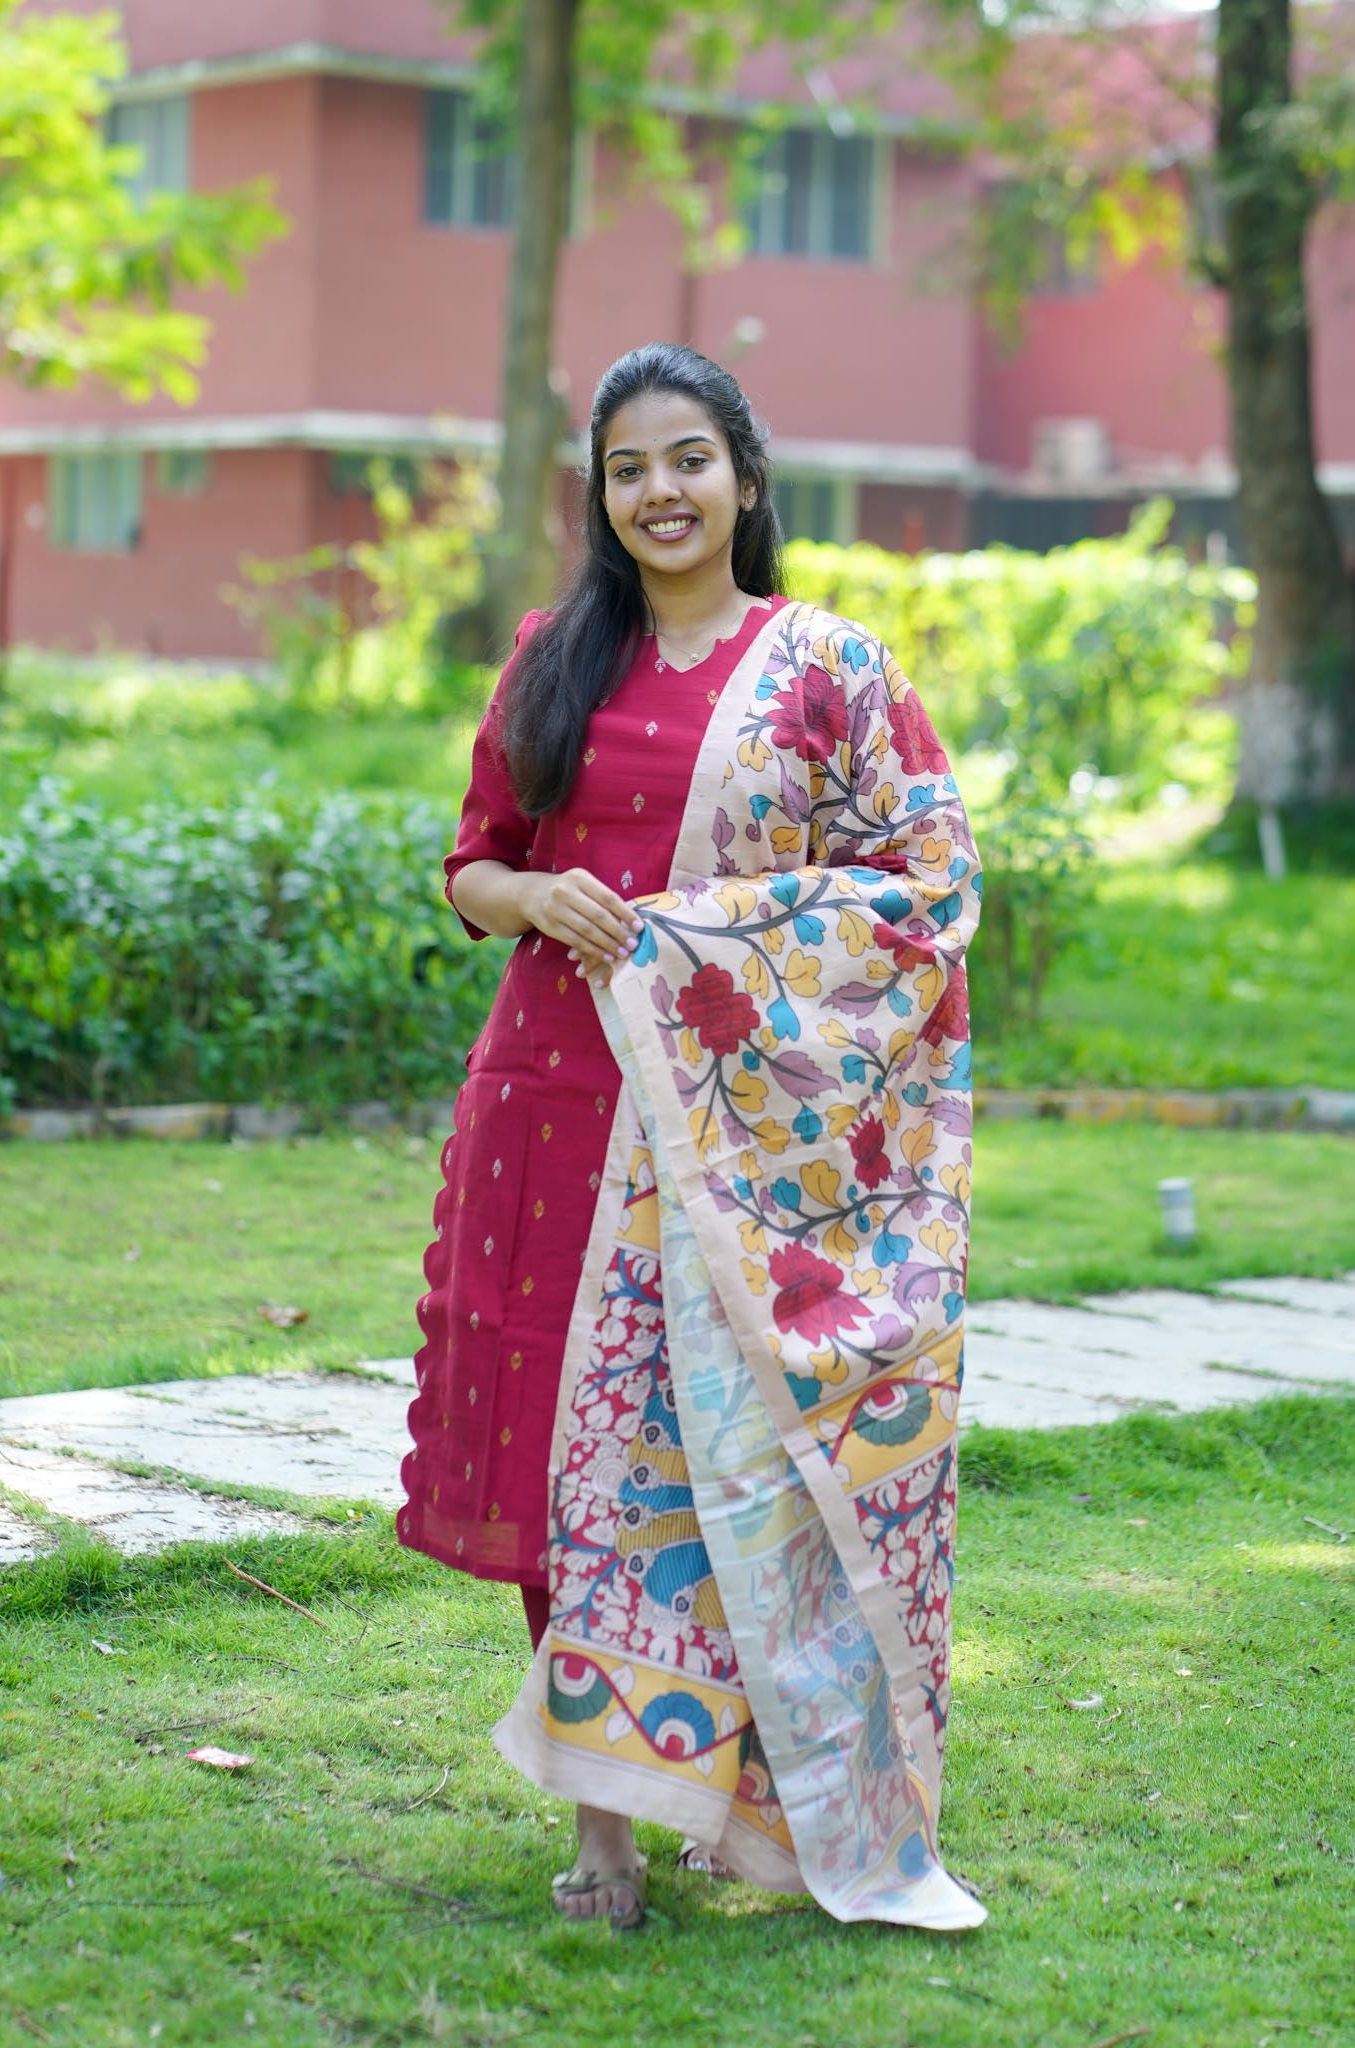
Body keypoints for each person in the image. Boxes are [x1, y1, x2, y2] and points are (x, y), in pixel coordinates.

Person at [398, 342, 985, 1933]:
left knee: (707, 1451)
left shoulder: (830, 672)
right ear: (598, 496)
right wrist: (536, 897)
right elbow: (473, 865)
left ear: (744, 474)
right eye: (626, 469)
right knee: (559, 1457)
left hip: (739, 1140)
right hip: (548, 1096)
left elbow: (922, 888)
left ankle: (743, 1789)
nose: (659, 493)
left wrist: (712, 936)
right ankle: (603, 1824)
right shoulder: (550, 656)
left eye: (686, 460)